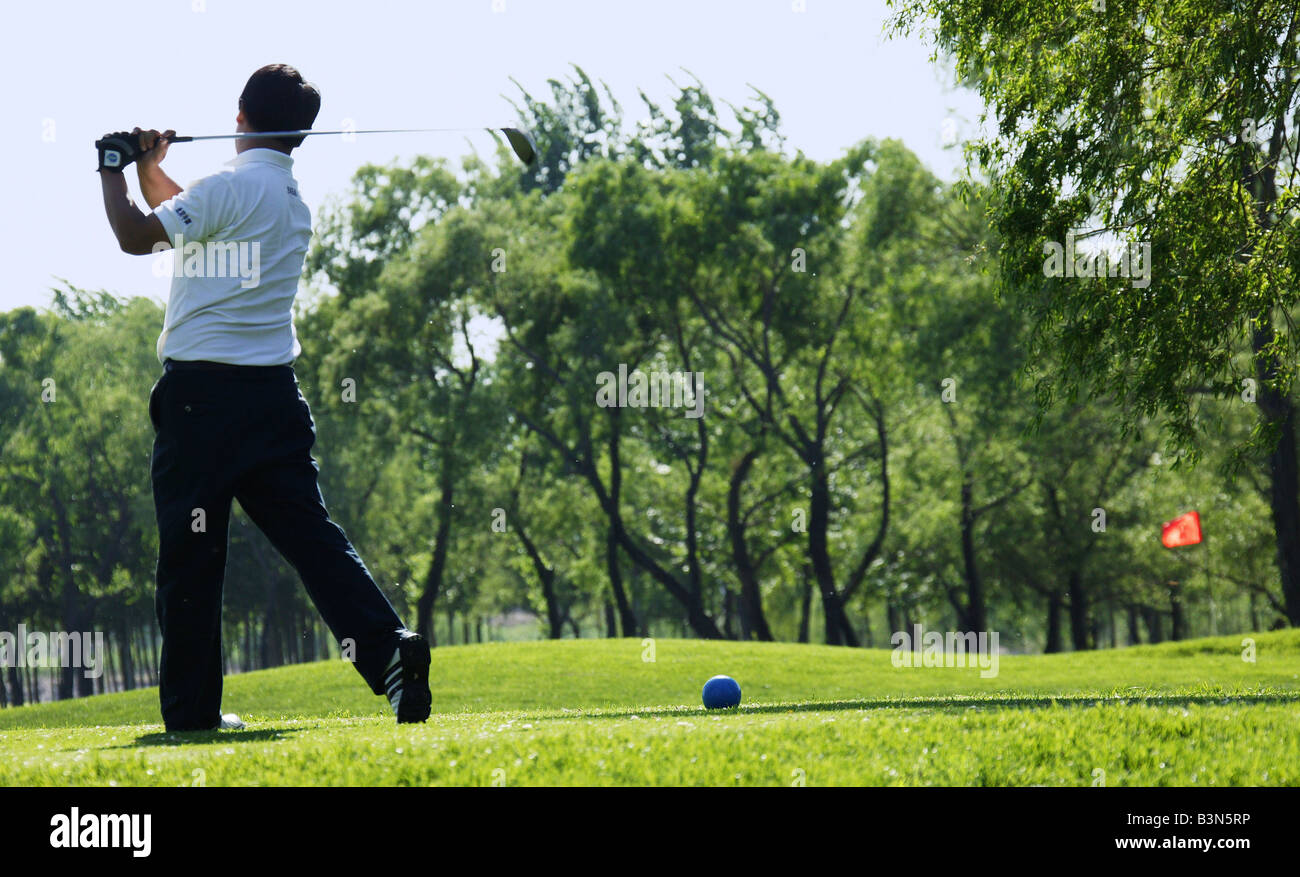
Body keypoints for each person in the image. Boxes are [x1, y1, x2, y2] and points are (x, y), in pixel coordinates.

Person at [95, 63, 431, 732]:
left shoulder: (227, 189)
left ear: (240, 117)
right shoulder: (288, 203)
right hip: (273, 402)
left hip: (200, 406)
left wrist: (111, 164)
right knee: (313, 540)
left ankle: (193, 712)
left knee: (193, 557)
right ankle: (390, 650)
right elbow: (187, 217)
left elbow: (137, 237)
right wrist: (148, 169)